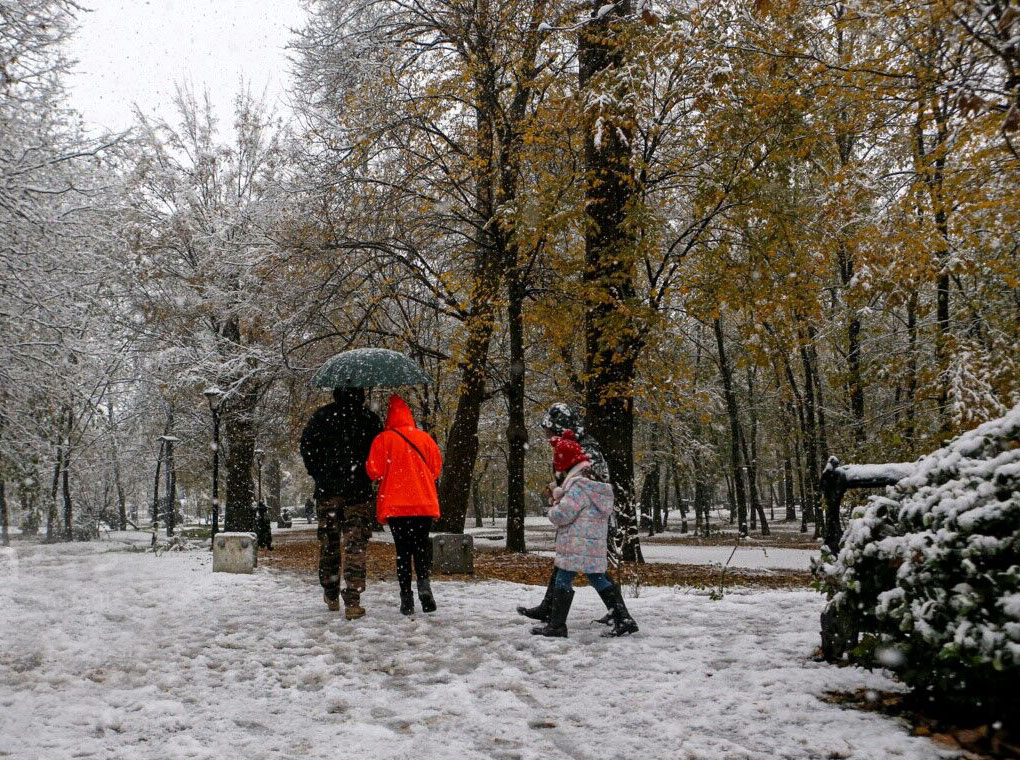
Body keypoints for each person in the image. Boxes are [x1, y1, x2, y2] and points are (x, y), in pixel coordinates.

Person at [531, 430, 638, 638]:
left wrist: (553, 506)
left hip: (576, 542)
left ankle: (557, 626)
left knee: (563, 578)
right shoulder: (593, 483)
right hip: (591, 542)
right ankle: (623, 618)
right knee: (598, 578)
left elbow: (563, 514)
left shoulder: (579, 486)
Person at [517, 402, 613, 623]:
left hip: (587, 521)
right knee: (576, 567)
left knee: (591, 571)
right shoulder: (573, 446)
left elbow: (589, 487)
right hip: (583, 521)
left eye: (549, 430)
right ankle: (550, 609)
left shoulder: (584, 450)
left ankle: (618, 614)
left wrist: (561, 498)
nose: (547, 435)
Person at [300, 387, 383, 620]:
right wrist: (367, 475)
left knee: (329, 542)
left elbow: (306, 448)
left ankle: (330, 592)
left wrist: (319, 473)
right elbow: (379, 452)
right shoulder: (369, 419)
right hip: (359, 492)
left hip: (328, 491)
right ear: (360, 394)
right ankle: (353, 600)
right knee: (356, 545)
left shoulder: (322, 417)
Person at [366, 395, 443, 615]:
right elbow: (436, 469)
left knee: (402, 551)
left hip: (396, 505)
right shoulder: (425, 439)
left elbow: (373, 471)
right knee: (420, 548)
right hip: (422, 503)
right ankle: (424, 587)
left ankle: (406, 597)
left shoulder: (383, 439)